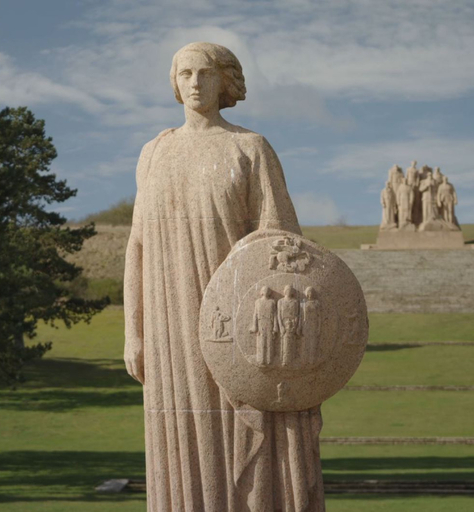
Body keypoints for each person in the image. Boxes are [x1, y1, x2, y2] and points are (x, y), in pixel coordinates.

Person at [123, 42, 324, 511]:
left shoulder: (249, 148)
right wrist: (134, 331)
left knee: (240, 431)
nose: (194, 83)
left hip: (234, 325)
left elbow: (282, 249)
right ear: (174, 83)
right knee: (178, 431)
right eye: (185, 74)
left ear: (224, 81)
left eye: (205, 73)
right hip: (168, 325)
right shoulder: (153, 152)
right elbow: (137, 246)